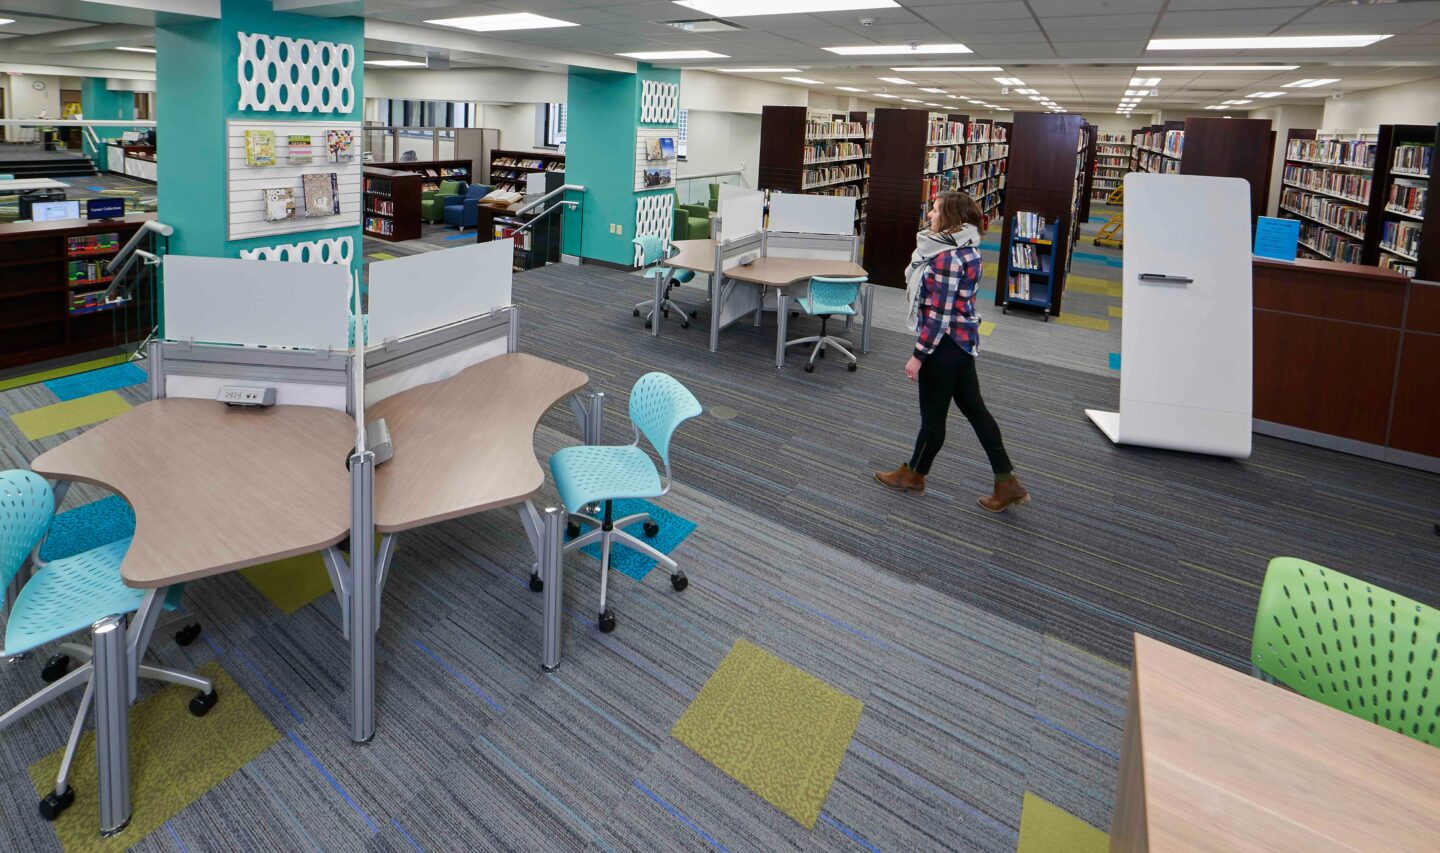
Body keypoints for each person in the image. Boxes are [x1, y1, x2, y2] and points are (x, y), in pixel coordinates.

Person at [875, 191, 1028, 512]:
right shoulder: (968, 250)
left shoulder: (945, 258)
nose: (929, 214)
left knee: (933, 419)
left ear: (951, 219)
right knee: (975, 410)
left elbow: (939, 316)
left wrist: (918, 355)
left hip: (944, 346)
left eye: (935, 210)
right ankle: (1006, 480)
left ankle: (914, 475)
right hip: (963, 342)